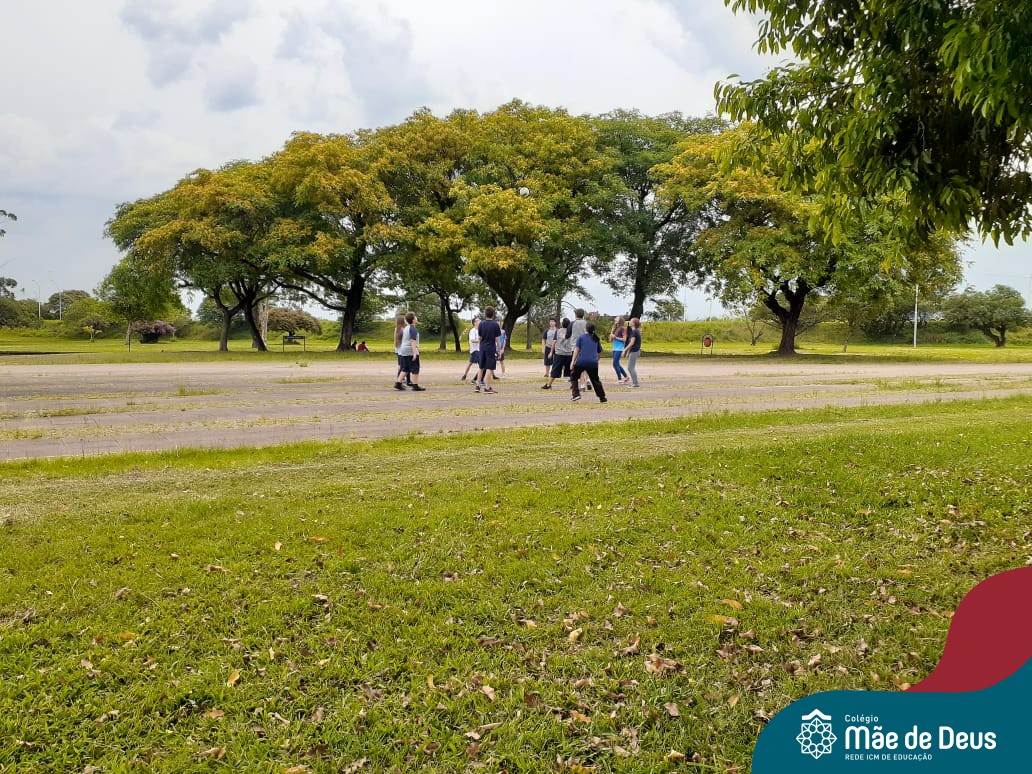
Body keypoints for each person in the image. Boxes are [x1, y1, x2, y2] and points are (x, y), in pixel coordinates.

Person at [570, 322, 607, 403]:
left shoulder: (581, 337)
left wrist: (573, 361)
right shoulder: (596, 338)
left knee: (573, 377)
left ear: (585, 329)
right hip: (593, 363)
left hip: (581, 361)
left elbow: (577, 349)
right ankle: (602, 398)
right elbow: (600, 351)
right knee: (595, 380)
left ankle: (576, 394)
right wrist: (597, 359)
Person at [474, 307, 502, 394]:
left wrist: (481, 347)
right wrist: (499, 350)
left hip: (482, 347)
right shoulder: (495, 325)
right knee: (490, 367)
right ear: (493, 314)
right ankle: (487, 387)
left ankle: (477, 386)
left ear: (485, 314)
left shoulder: (481, 324)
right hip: (490, 348)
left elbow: (479, 338)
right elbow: (497, 339)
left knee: (481, 367)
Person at [397, 312, 426, 392]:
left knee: (405, 368)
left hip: (403, 349)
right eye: (415, 317)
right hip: (410, 350)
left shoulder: (406, 328)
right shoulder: (413, 329)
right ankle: (415, 385)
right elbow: (413, 341)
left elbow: (401, 336)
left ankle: (398, 383)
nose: (416, 318)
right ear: (413, 320)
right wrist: (414, 353)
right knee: (415, 368)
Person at [542, 317, 573, 389]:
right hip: (569, 353)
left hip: (559, 353)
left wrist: (551, 352)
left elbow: (554, 342)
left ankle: (549, 385)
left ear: (562, 324)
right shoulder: (571, 331)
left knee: (555, 370)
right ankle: (573, 385)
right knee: (570, 370)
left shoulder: (558, 331)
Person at [393, 315, 413, 389]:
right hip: (403, 350)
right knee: (405, 366)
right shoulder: (404, 329)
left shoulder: (397, 329)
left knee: (402, 366)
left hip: (398, 349)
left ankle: (405, 381)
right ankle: (400, 382)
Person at [609, 316, 630, 384]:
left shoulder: (623, 329)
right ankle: (626, 377)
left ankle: (620, 380)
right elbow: (610, 339)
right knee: (617, 363)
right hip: (614, 348)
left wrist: (615, 337)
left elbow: (624, 339)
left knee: (615, 363)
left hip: (620, 348)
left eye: (617, 318)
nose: (615, 319)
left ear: (620, 321)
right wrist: (612, 332)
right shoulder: (615, 328)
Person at [622, 317, 642, 387]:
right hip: (634, 351)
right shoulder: (634, 331)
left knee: (631, 367)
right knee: (630, 367)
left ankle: (635, 384)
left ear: (633, 324)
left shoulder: (634, 331)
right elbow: (633, 343)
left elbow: (632, 343)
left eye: (630, 321)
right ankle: (634, 383)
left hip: (635, 351)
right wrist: (628, 352)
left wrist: (625, 350)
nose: (629, 322)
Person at [461, 317, 481, 382]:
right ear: (474, 323)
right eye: (478, 320)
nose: (479, 321)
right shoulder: (473, 331)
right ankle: (476, 379)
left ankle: (465, 375)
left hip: (479, 349)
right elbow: (472, 340)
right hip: (475, 350)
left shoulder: (480, 330)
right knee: (482, 365)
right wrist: (480, 341)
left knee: (470, 363)